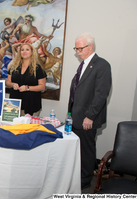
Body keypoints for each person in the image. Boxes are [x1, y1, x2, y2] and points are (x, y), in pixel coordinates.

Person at [68, 32, 112, 189]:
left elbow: (101, 94)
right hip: (76, 116)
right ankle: (76, 176)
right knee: (77, 150)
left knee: (86, 151)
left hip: (87, 118)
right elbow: (77, 91)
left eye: (80, 48)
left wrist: (90, 116)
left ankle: (84, 181)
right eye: (76, 48)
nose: (78, 52)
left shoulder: (102, 65)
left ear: (90, 46)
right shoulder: (83, 65)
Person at [6, 43, 46, 116]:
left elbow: (42, 86)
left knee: (29, 127)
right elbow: (8, 82)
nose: (24, 52)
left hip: (31, 104)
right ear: (19, 52)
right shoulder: (13, 67)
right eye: (22, 50)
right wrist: (12, 85)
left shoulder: (38, 68)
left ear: (32, 52)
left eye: (27, 49)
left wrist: (27, 88)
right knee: (12, 127)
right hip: (14, 105)